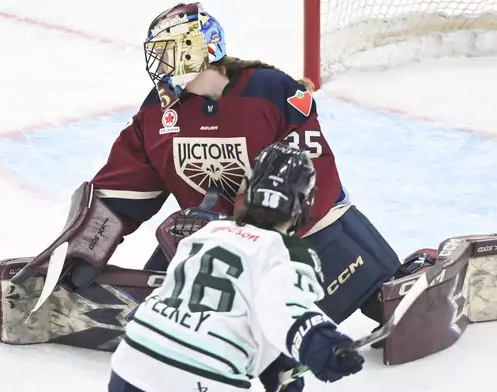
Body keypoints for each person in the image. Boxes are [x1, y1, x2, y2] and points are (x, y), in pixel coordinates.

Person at [85, 1, 414, 327]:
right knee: (155, 310)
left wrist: (238, 229)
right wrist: (88, 236)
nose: (160, 62)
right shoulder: (158, 111)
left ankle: (412, 279)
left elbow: (303, 172)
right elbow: (126, 181)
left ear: (201, 50)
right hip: (207, 238)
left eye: (169, 51)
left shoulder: (271, 91)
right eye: (157, 52)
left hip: (301, 232)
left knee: (388, 310)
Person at [108, 143, 364, 392]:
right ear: (301, 206)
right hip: (202, 373)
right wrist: (320, 342)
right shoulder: (291, 253)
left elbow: (225, 309)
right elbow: (283, 310)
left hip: (134, 357)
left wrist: (276, 362)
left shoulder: (209, 231)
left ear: (250, 191)